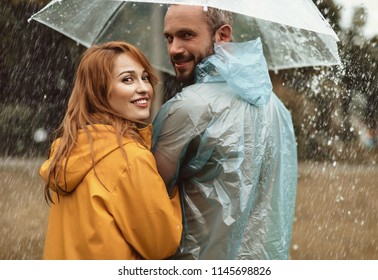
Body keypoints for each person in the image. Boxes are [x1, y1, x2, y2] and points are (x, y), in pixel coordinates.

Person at [152, 5, 298, 259]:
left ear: (223, 35)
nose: (174, 48)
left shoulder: (187, 108)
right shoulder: (276, 107)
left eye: (186, 35)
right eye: (169, 37)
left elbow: (149, 204)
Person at [39, 41, 182, 260]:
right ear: (100, 91)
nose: (144, 88)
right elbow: (161, 244)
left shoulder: (68, 150)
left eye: (144, 77)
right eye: (127, 79)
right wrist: (172, 185)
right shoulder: (129, 159)